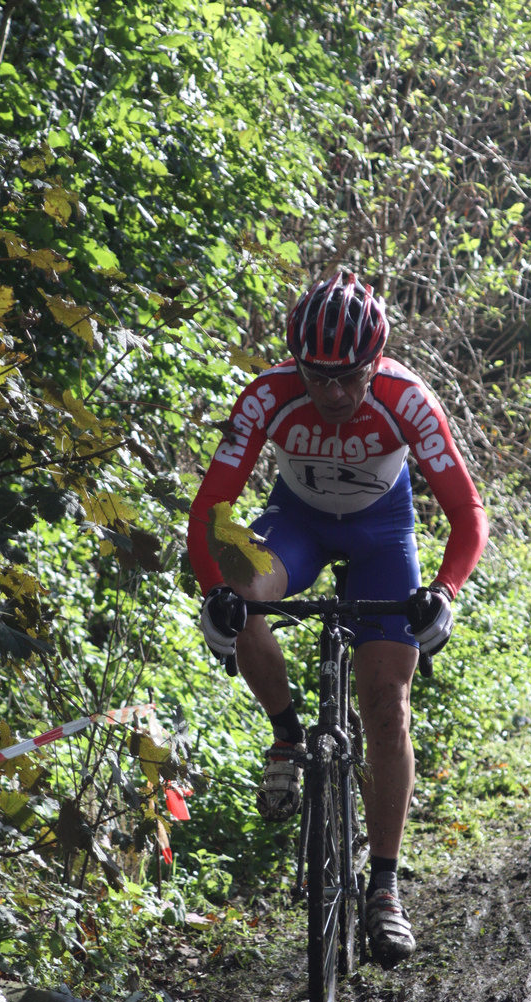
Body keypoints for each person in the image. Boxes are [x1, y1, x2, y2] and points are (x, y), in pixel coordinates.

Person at [187, 271, 488, 965]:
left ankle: (384, 886)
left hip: (383, 536)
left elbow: (467, 511)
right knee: (242, 588)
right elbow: (212, 510)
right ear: (297, 364)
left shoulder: (405, 399)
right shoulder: (268, 395)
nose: (332, 394)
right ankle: (287, 734)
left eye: (349, 377)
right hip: (296, 525)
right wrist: (214, 591)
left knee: (386, 705)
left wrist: (445, 591)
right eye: (317, 376)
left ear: (375, 363)